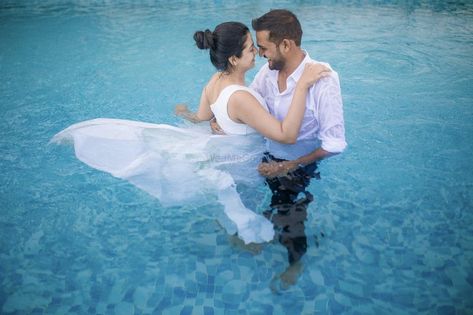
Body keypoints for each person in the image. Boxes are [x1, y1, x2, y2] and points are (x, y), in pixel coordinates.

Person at [212, 10, 346, 287]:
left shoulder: (323, 79)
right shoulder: (270, 70)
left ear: (286, 44)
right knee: (237, 187)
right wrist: (223, 121)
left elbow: (334, 145)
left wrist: (289, 166)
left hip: (299, 162)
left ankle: (295, 264)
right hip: (267, 153)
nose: (260, 54)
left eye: (264, 47)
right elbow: (251, 105)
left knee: (289, 215)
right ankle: (255, 230)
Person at [175, 22, 331, 144]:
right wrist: (302, 85)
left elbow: (199, 118)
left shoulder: (215, 80)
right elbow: (286, 136)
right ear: (234, 59)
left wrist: (183, 111)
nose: (257, 52)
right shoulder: (240, 99)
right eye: (251, 49)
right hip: (247, 170)